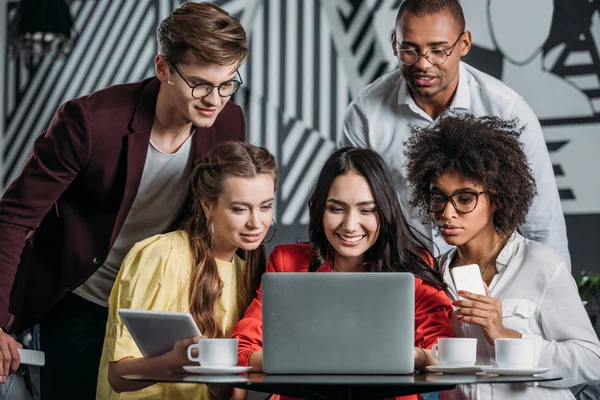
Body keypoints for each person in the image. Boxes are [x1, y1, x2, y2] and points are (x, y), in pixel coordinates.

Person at [0, 2, 247, 398]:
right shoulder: (90, 123)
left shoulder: (229, 121)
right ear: (163, 68)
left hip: (158, 306)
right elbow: (13, 219)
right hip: (80, 299)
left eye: (227, 83)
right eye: (200, 83)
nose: (214, 99)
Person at [340, 0, 571, 269]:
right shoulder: (365, 113)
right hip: (405, 275)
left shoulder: (507, 111)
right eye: (410, 50)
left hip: (491, 279)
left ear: (464, 44)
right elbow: (353, 211)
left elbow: (543, 227)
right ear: (394, 43)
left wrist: (557, 301)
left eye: (438, 51)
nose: (423, 64)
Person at [231, 147, 455, 400]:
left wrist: (413, 356)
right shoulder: (288, 261)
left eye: (366, 210)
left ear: (385, 212)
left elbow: (444, 351)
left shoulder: (411, 266)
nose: (350, 225)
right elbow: (242, 349)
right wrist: (309, 359)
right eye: (336, 209)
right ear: (320, 210)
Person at [404, 113, 600, 399]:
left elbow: (591, 361)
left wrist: (504, 335)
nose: (447, 213)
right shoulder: (434, 276)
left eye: (465, 199)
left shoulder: (540, 264)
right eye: (438, 198)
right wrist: (423, 358)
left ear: (496, 198)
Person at [96, 141, 277, 400]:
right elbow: (119, 376)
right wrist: (175, 362)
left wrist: (215, 379)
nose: (256, 222)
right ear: (208, 206)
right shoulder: (161, 256)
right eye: (239, 208)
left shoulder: (249, 275)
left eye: (266, 206)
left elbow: (232, 395)